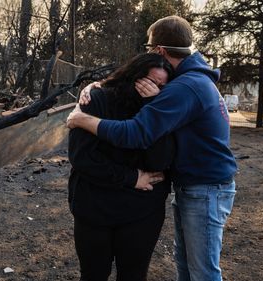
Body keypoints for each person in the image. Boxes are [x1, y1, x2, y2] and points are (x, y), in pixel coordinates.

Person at [67, 16, 237, 281]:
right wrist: (97, 85)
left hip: (204, 189)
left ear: (159, 50)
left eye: (148, 48)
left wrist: (82, 119)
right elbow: (83, 155)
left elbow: (137, 133)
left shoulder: (184, 86)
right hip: (198, 186)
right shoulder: (189, 79)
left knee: (202, 272)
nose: (157, 87)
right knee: (188, 266)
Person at [68, 53, 175, 281]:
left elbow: (160, 162)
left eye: (161, 86)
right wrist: (131, 177)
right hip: (95, 207)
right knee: (93, 275)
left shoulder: (161, 110)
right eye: (149, 82)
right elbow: (82, 157)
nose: (153, 89)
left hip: (142, 211)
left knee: (133, 276)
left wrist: (152, 106)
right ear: (134, 75)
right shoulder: (97, 100)